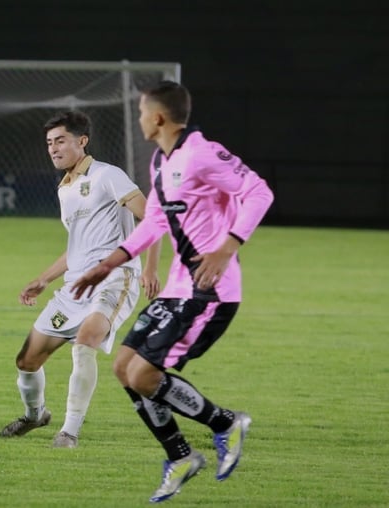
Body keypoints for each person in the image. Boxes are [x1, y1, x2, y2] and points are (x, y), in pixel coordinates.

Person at [72, 81, 273, 503]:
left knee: (145, 373)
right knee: (124, 367)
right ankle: (180, 456)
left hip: (209, 292)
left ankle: (225, 424)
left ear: (158, 117)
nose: (140, 118)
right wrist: (107, 264)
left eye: (143, 112)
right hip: (179, 288)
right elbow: (155, 224)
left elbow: (258, 191)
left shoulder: (202, 153)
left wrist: (228, 247)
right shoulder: (163, 163)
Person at [0, 111, 160, 448]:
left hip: (115, 279)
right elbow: (77, 247)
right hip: (75, 288)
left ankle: (68, 432)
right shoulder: (65, 190)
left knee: (85, 344)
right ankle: (35, 415)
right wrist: (43, 279)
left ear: (81, 141)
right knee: (27, 361)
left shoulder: (107, 175)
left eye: (60, 141)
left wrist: (149, 268)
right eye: (49, 143)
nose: (53, 149)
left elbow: (153, 219)